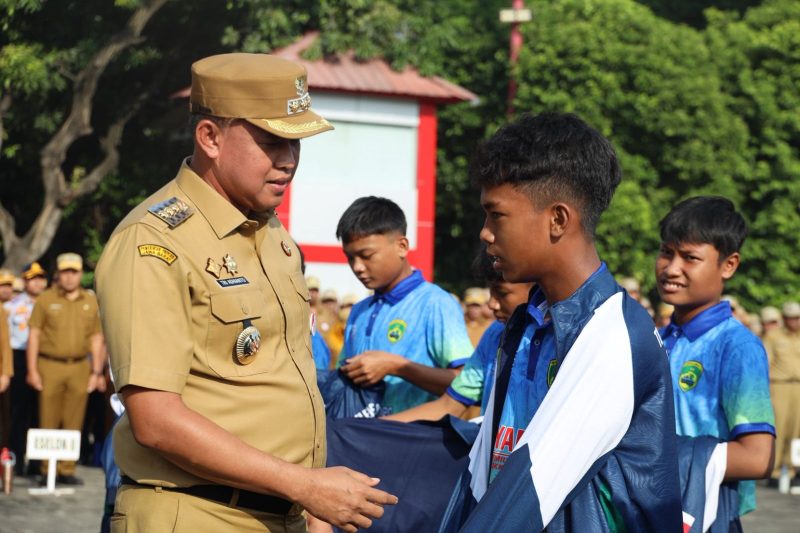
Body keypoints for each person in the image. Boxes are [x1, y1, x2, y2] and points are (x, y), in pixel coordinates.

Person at [95, 53, 396, 532]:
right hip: (196, 514)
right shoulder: (156, 242)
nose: (289, 161)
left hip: (286, 510)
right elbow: (154, 420)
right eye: (272, 141)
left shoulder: (272, 236)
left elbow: (285, 379)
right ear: (210, 138)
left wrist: (311, 504)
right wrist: (303, 486)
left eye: (296, 142)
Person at [440, 112, 681, 532]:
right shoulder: (522, 327)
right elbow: (482, 473)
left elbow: (531, 484)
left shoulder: (613, 335)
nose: (484, 233)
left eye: (496, 215)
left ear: (558, 219)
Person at [656, 196, 775, 523]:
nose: (672, 268)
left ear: (729, 265)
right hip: (653, 506)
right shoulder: (658, 339)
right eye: (666, 252)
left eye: (690, 257)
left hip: (707, 513)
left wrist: (650, 457)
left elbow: (758, 458)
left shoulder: (736, 345)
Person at [335, 196, 474, 414]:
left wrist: (396, 366)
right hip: (361, 440)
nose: (357, 267)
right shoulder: (359, 311)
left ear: (401, 246)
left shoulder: (436, 304)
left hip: (415, 442)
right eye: (350, 258)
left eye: (366, 255)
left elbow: (467, 383)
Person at [386, 252, 533, 423]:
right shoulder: (495, 334)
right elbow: (450, 404)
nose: (492, 304)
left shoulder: (558, 338)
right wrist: (369, 427)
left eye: (502, 293)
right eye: (490, 292)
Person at [26, 253, 105, 485]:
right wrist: (32, 370)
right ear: (58, 274)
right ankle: (45, 468)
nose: (70, 277)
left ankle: (66, 469)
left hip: (80, 365)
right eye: (65, 272)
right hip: (49, 364)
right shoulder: (45, 299)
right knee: (47, 416)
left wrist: (96, 372)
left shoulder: (91, 301)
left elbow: (97, 338)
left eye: (74, 272)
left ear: (81, 274)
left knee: (74, 418)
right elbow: (34, 334)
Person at [3, 261, 47, 474]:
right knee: (19, 411)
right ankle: (17, 457)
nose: (37, 282)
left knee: (41, 411)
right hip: (19, 357)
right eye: (32, 278)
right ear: (25, 281)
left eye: (40, 278)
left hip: (44, 358)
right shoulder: (11, 306)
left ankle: (39, 462)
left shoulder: (50, 302)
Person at [762, 301, 800, 485]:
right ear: (784, 318)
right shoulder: (773, 336)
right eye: (791, 318)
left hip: (798, 386)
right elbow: (765, 362)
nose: (794, 321)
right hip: (779, 386)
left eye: (797, 317)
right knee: (779, 428)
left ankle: (793, 470)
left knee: (797, 430)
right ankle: (775, 470)